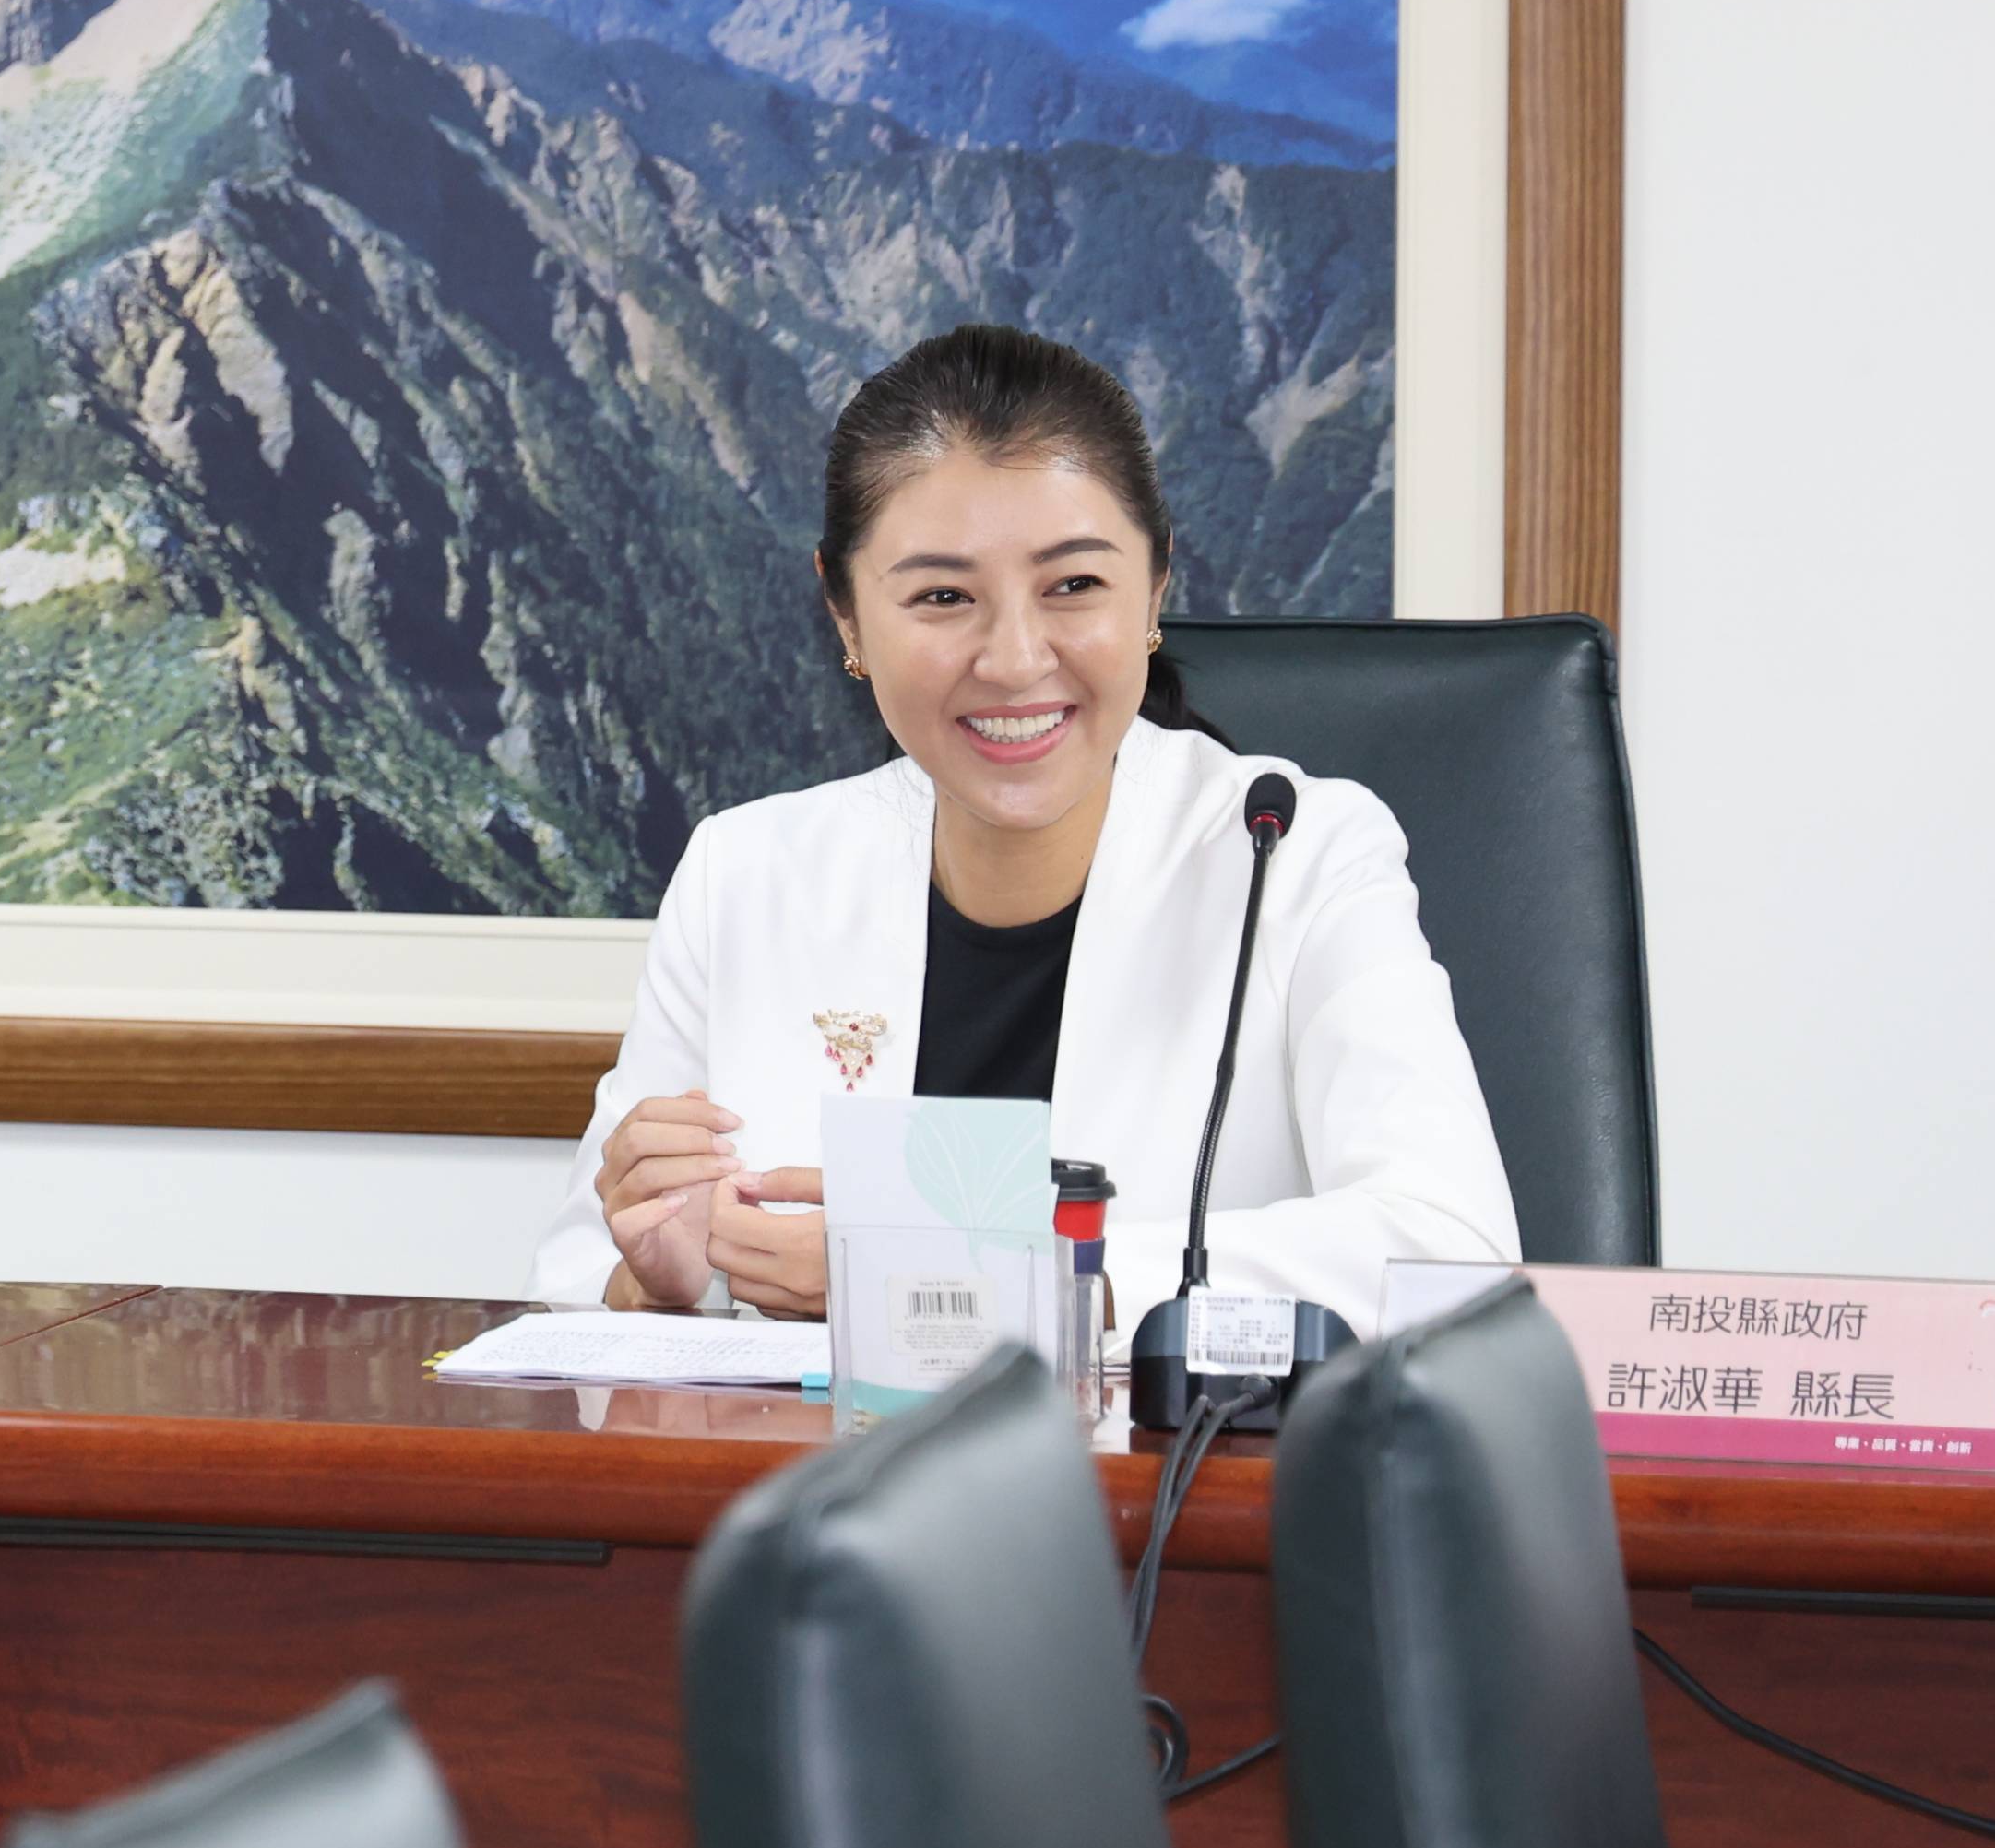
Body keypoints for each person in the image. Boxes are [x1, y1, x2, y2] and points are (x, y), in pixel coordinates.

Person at [539, 323, 1515, 1334]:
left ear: (1157, 586)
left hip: (1164, 1491)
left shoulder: (1298, 852)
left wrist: (999, 1282)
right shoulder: (744, 873)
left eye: (1074, 585)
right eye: (943, 596)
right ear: (846, 618)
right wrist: (651, 1282)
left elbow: (1450, 1252)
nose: (1012, 658)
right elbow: (572, 1279)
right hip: (821, 1489)